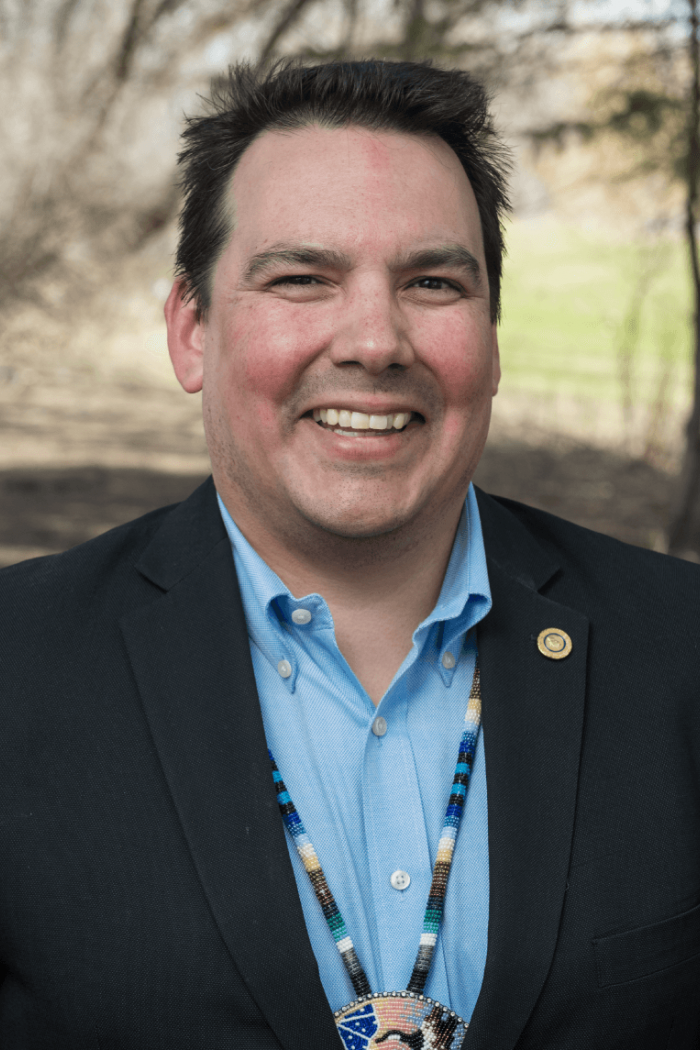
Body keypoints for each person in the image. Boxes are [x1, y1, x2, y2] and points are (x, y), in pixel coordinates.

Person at [0, 58, 699, 1050]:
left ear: (491, 339)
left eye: (430, 281)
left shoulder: (680, 651)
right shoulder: (15, 668)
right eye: (302, 278)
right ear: (192, 330)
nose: (375, 340)